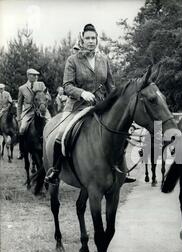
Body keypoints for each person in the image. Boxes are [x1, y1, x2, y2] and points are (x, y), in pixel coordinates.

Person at [45, 23, 135, 184]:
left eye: (93, 38)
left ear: (97, 39)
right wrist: (82, 93)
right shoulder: (73, 60)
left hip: (99, 106)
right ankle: (56, 170)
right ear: (82, 39)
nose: (91, 41)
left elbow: (111, 87)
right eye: (88, 38)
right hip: (76, 106)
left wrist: (118, 103)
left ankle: (120, 169)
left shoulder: (104, 59)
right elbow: (66, 85)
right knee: (61, 133)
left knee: (121, 131)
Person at [17, 69, 51, 159]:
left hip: (41, 109)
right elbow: (19, 105)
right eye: (33, 75)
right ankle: (22, 151)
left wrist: (43, 96)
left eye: (37, 75)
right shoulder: (22, 88)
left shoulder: (41, 84)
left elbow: (49, 97)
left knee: (51, 125)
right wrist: (19, 117)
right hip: (28, 112)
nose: (36, 77)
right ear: (28, 75)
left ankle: (51, 148)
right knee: (22, 129)